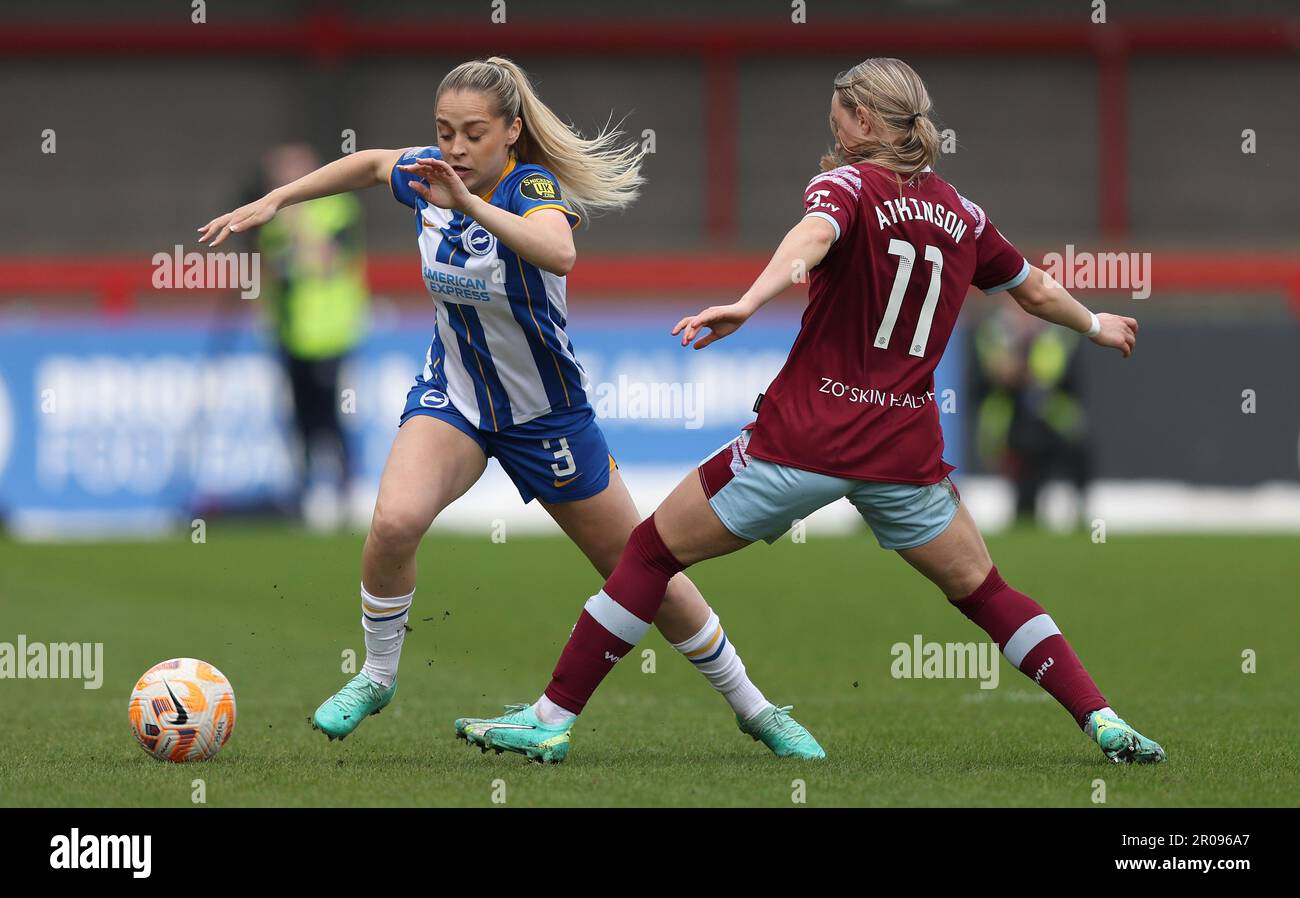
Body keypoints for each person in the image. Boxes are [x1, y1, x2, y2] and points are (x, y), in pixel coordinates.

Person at [459, 57, 1166, 766]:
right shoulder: (962, 213)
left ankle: (552, 718)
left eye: (838, 118)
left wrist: (748, 299)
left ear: (863, 121)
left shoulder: (846, 186)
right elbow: (1035, 288)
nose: (831, 129)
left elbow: (812, 239)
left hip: (802, 442)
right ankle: (1101, 719)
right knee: (985, 592)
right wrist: (1096, 325)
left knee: (648, 552)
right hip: (903, 458)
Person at [197, 57, 822, 761]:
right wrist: (278, 201)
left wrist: (469, 204)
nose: (454, 149)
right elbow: (371, 164)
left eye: (471, 134)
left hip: (547, 417)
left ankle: (756, 709)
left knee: (643, 571)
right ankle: (375, 677)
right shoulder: (429, 174)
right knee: (396, 520)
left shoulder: (530, 187)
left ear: (512, 131)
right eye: (443, 133)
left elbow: (560, 253)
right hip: (456, 400)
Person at [256, 143, 370, 531]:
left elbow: (325, 262)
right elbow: (273, 275)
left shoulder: (335, 210)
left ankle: (347, 491)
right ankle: (305, 493)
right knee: (298, 417)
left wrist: (299, 220)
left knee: (335, 416)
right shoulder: (273, 223)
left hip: (330, 336)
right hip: (290, 336)